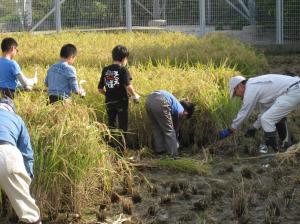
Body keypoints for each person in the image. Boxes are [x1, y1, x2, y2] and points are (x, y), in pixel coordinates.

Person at [219, 74, 300, 152]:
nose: (237, 96)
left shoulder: (250, 89)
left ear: (239, 86)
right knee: (271, 116)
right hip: (294, 89)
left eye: (235, 93)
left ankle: (273, 152)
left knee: (267, 119)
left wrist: (231, 129)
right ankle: (286, 145)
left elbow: (244, 112)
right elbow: (265, 112)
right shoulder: (256, 86)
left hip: (293, 90)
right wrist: (254, 128)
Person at [0, 97, 41, 224]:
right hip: (6, 152)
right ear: (11, 109)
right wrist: (26, 180)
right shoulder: (17, 119)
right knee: (30, 214)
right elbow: (27, 154)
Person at [98, 45, 140, 132]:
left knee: (111, 124)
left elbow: (100, 89)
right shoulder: (123, 70)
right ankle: (122, 144)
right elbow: (128, 86)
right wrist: (135, 95)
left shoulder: (105, 69)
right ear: (124, 58)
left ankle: (111, 143)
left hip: (109, 102)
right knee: (123, 126)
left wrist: (108, 94)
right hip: (122, 102)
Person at [145, 90, 195, 158]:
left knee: (157, 128)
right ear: (186, 113)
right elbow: (174, 130)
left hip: (149, 100)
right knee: (169, 131)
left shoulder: (176, 104)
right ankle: (174, 155)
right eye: (184, 118)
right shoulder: (180, 111)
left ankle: (160, 151)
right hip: (161, 101)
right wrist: (176, 145)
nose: (182, 119)